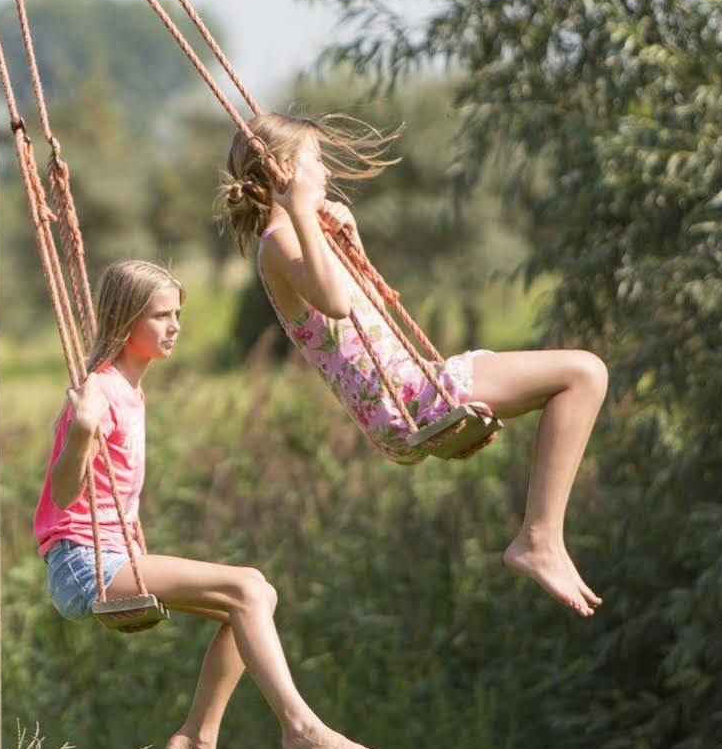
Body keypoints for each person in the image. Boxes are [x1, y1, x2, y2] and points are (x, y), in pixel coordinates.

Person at [37, 259, 383, 749]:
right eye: (161, 316)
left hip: (111, 558)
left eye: (178, 314)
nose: (175, 326)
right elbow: (65, 490)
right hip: (82, 562)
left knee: (256, 598)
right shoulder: (98, 392)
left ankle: (196, 740)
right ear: (127, 321)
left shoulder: (129, 389)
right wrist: (78, 434)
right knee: (247, 586)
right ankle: (299, 725)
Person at [221, 113, 608, 617]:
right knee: (584, 373)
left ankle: (542, 537)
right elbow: (337, 305)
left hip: (406, 399)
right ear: (284, 170)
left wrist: (349, 243)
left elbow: (369, 317)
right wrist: (301, 214)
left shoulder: (295, 237)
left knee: (578, 379)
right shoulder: (279, 240)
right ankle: (539, 538)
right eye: (318, 161)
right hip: (409, 402)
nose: (328, 174)